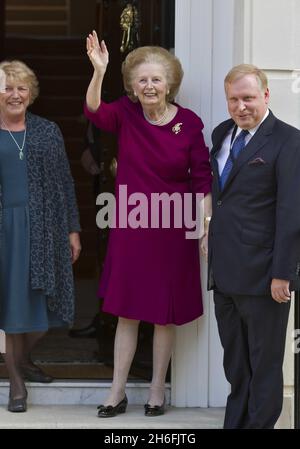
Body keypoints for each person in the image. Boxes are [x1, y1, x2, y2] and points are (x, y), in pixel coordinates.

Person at [84, 31, 212, 417]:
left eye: (157, 78)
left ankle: (157, 392)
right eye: (142, 79)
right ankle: (116, 392)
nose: (149, 85)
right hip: (133, 225)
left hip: (174, 228)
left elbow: (202, 178)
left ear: (170, 83)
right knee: (127, 310)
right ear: (132, 86)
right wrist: (99, 71)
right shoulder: (124, 112)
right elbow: (94, 111)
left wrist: (204, 225)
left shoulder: (189, 123)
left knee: (163, 312)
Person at [208, 63, 300, 429]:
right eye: (233, 99)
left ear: (265, 95)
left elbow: (292, 212)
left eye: (248, 98)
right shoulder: (220, 134)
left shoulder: (289, 141)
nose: (240, 106)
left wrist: (284, 274)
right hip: (225, 272)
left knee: (264, 364)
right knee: (235, 362)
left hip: (265, 276)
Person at [0, 60, 81, 413]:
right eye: (7, 87)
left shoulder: (48, 131)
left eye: (21, 88)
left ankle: (25, 359)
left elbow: (65, 182)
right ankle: (16, 382)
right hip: (4, 229)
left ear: (31, 94)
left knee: (42, 310)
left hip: (44, 227)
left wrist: (72, 230)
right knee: (12, 306)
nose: (14, 94)